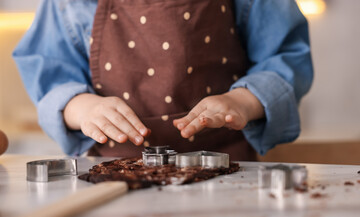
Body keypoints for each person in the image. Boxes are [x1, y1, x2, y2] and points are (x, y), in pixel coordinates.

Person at [13, 0, 313, 160]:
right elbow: (51, 77)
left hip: (231, 169)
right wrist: (84, 107)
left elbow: (285, 57)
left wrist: (242, 102)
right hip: (108, 177)